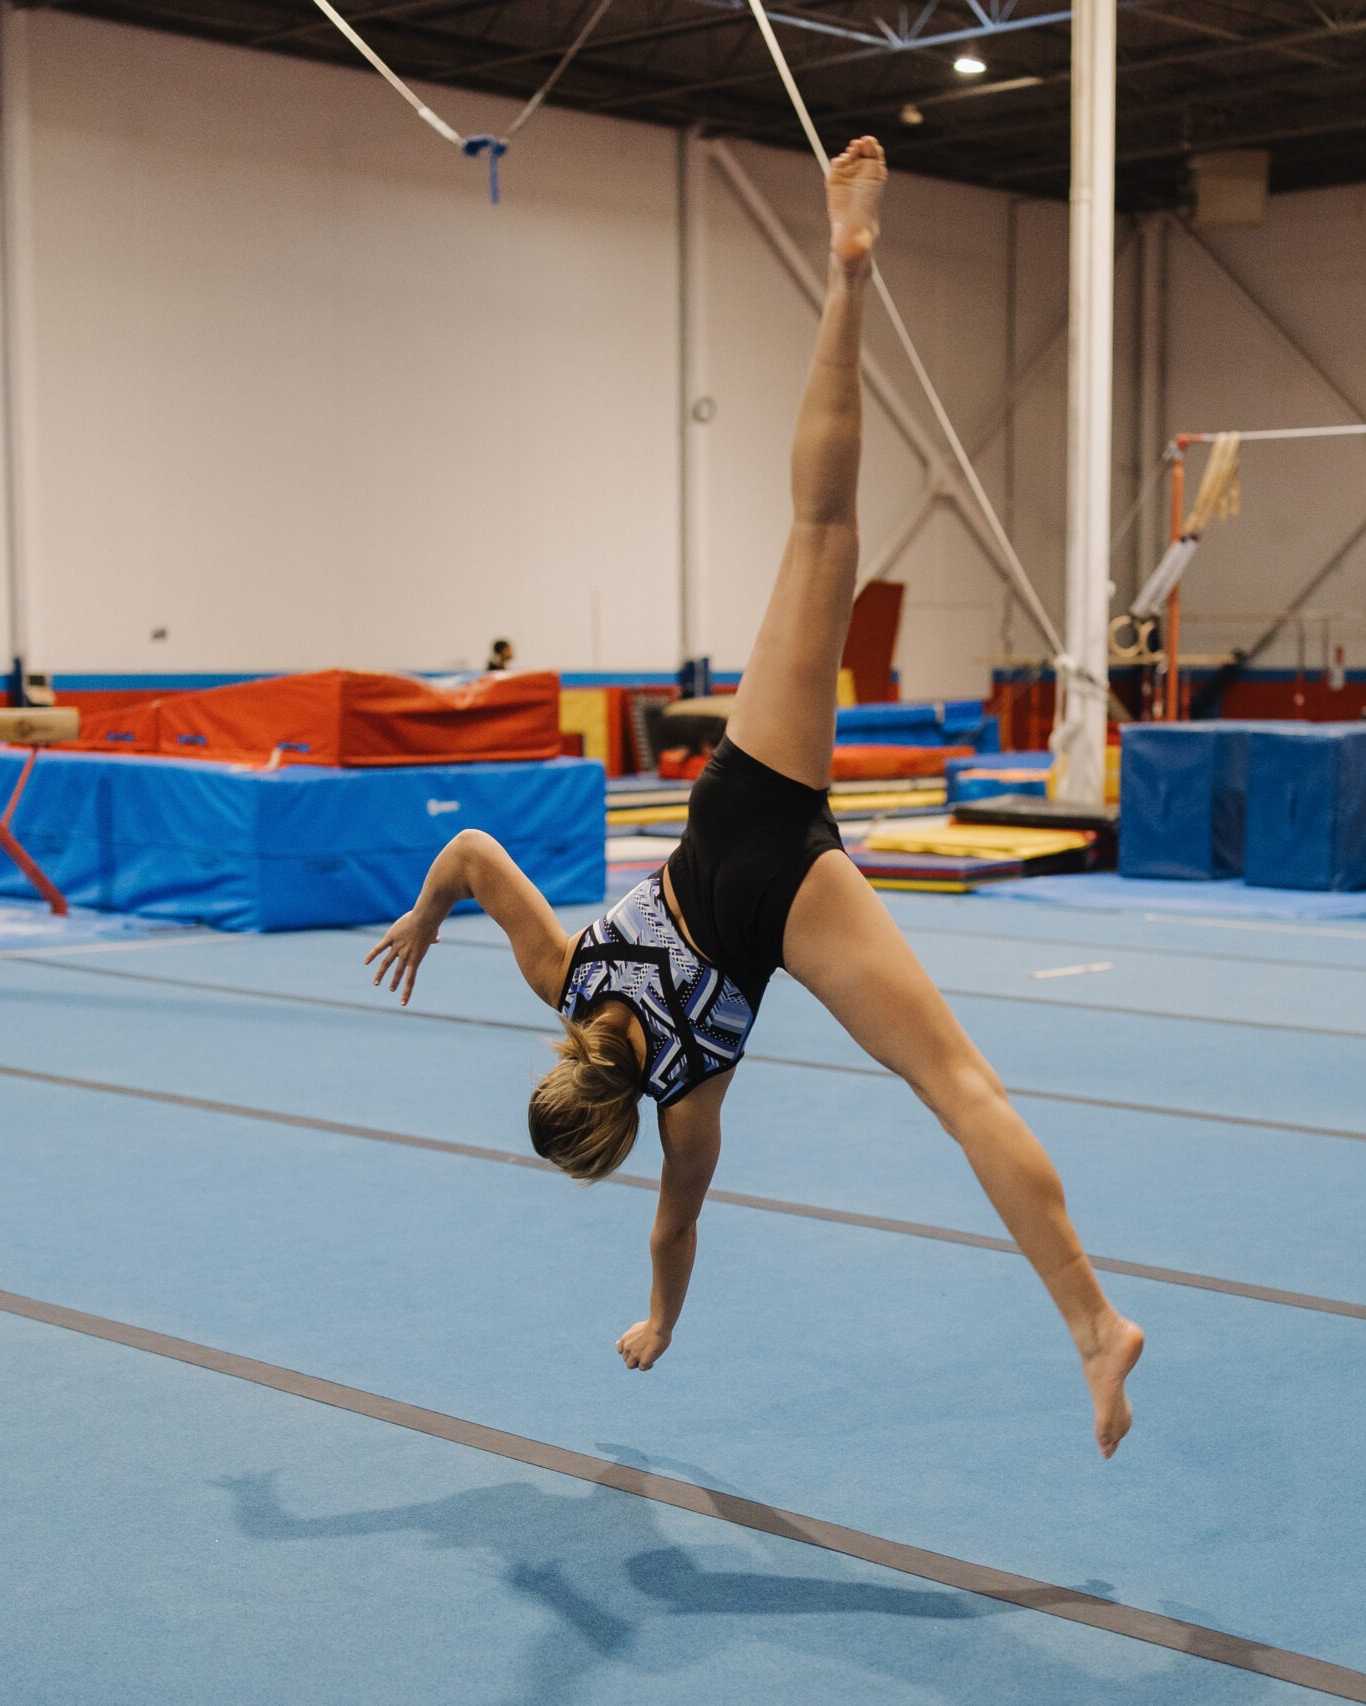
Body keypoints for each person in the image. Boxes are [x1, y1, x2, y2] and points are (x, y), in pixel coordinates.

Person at [364, 138, 1142, 1458]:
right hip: (738, 807)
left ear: (614, 1132)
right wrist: (428, 917)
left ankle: (1092, 1320)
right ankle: (848, 269)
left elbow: (674, 1232)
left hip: (788, 904)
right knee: (819, 526)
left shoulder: (685, 1109)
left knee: (960, 1085)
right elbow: (479, 851)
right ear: (554, 1070)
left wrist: (657, 1323)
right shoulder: (560, 978)